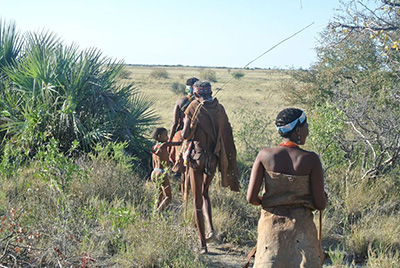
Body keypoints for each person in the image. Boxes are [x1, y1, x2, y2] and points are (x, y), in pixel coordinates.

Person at [246, 108, 327, 267]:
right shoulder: (311, 159)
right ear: (297, 129)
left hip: (271, 230)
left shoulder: (264, 155)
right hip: (301, 232)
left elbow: (251, 198)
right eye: (306, 127)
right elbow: (320, 204)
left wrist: (271, 201)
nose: (308, 132)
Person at [182, 80, 240, 254]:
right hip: (214, 159)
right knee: (205, 193)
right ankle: (211, 230)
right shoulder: (219, 108)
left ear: (196, 93)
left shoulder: (192, 107)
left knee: (197, 201)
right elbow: (226, 132)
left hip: (197, 158)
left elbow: (185, 135)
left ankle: (202, 244)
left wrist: (191, 127)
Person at [169, 77, 199, 200]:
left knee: (183, 169)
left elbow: (175, 123)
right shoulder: (202, 103)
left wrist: (170, 141)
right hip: (198, 135)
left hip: (182, 136)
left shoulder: (181, 102)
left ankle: (185, 195)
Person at [151, 127, 182, 213]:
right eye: (165, 135)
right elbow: (178, 143)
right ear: (159, 136)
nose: (168, 137)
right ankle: (158, 212)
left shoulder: (154, 147)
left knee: (159, 196)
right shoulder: (164, 145)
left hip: (154, 172)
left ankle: (154, 213)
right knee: (168, 197)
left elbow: (153, 163)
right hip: (161, 173)